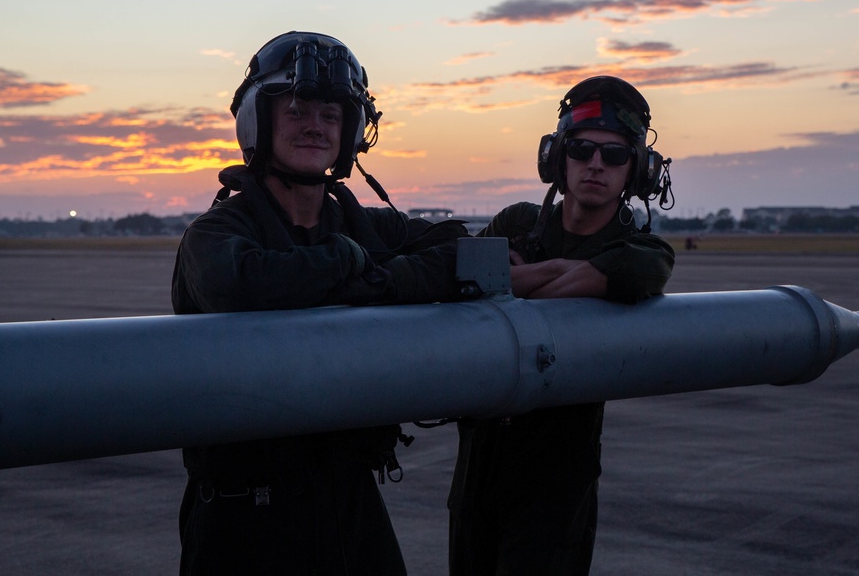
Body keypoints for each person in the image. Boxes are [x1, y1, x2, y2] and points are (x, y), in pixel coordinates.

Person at [172, 31, 468, 575]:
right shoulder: (214, 235)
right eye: (296, 109)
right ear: (258, 122)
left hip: (347, 496)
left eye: (332, 115)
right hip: (245, 512)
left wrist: (371, 277)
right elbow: (240, 286)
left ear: (351, 131)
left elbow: (464, 249)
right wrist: (351, 263)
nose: (315, 125)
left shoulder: (365, 223)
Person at [447, 76, 676, 575]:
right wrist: (558, 274)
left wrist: (511, 283)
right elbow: (455, 285)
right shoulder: (515, 222)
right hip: (478, 466)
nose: (596, 164)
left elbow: (483, 290)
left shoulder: (642, 251)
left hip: (557, 479)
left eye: (615, 156)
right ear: (557, 158)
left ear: (637, 172)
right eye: (581, 149)